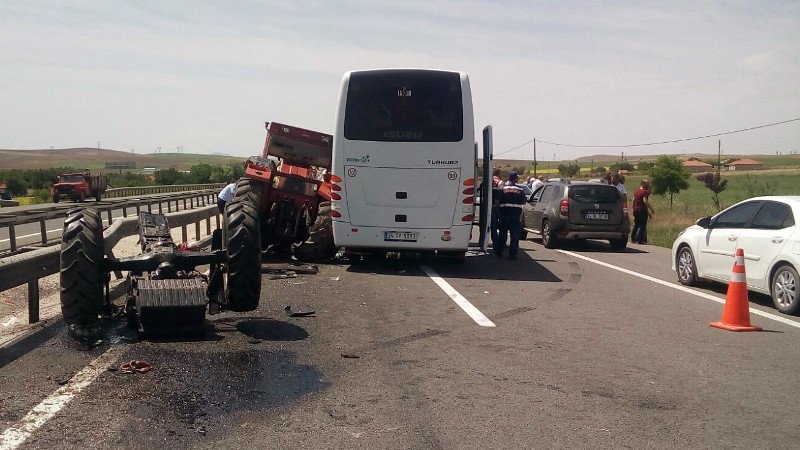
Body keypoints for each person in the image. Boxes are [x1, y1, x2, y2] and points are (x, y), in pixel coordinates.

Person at [494, 171, 527, 259]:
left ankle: (499, 252)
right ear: (515, 178)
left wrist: (499, 210)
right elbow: (524, 201)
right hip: (515, 215)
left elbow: (497, 201)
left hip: (504, 214)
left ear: (509, 178)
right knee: (515, 234)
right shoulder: (520, 189)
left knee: (502, 234)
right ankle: (512, 254)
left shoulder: (503, 189)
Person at [631, 179, 654, 244]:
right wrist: (651, 209)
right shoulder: (644, 192)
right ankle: (639, 239)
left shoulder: (636, 191)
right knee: (642, 225)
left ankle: (633, 238)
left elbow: (633, 200)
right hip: (642, 210)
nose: (648, 185)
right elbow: (645, 201)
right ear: (643, 184)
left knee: (636, 225)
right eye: (647, 184)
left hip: (635, 210)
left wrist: (633, 209)